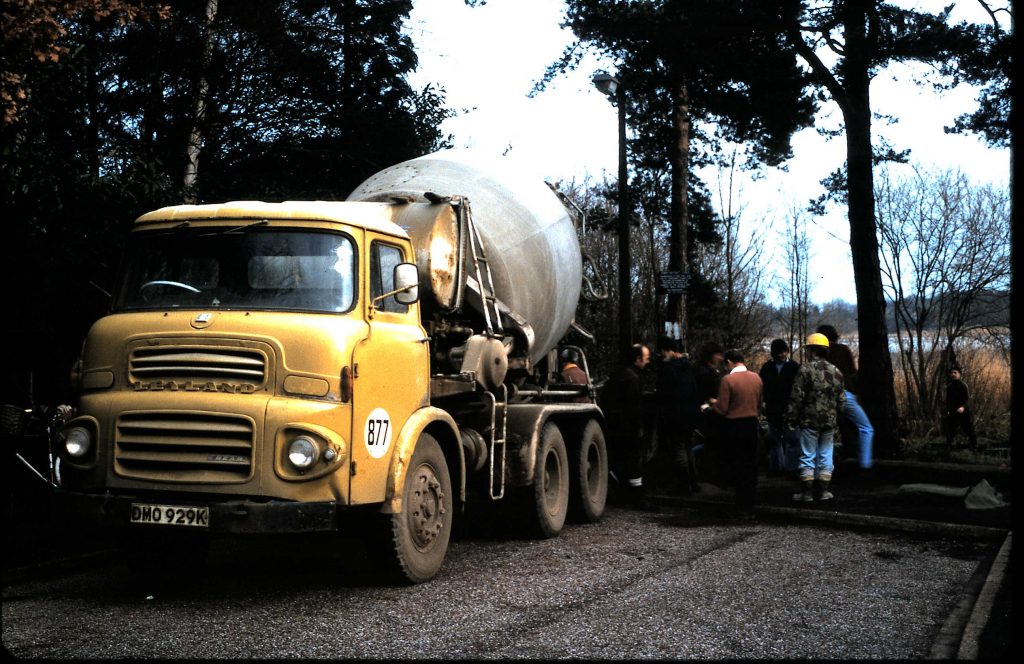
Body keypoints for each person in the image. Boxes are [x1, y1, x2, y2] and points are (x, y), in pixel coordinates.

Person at [785, 333, 846, 502]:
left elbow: (796, 397)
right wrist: (838, 418)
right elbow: (842, 400)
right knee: (826, 455)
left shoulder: (805, 370)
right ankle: (824, 492)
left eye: (807, 350)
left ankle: (806, 494)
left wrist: (791, 419)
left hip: (809, 421)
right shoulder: (836, 372)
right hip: (829, 422)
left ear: (812, 351)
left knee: (807, 455)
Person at [708, 349, 763, 519]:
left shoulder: (728, 380)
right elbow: (760, 404)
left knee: (737, 466)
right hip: (751, 424)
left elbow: (723, 408)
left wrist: (713, 403)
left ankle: (740, 506)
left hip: (734, 426)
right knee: (750, 466)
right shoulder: (756, 378)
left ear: (729, 362)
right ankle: (750, 505)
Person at [601, 343, 657, 511]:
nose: (648, 362)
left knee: (619, 459)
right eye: (646, 359)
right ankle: (636, 497)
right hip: (628, 427)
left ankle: (621, 491)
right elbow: (633, 406)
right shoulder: (633, 378)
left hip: (614, 424)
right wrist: (640, 426)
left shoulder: (618, 374)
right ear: (638, 359)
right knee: (633, 462)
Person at [816, 324, 874, 470]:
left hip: (826, 397)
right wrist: (856, 393)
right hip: (846, 394)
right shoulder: (843, 350)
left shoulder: (818, 354)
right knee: (864, 427)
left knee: (827, 431)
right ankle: (863, 463)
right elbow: (853, 373)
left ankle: (824, 467)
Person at [655, 336, 701, 495]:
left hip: (676, 414)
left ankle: (684, 485)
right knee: (688, 447)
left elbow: (664, 393)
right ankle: (694, 482)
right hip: (690, 413)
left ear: (666, 351)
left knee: (678, 449)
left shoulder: (669, 369)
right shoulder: (688, 367)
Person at [758, 338, 800, 475]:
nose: (782, 355)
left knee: (792, 440)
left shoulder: (794, 367)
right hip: (772, 408)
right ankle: (776, 467)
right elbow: (761, 387)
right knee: (775, 440)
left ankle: (791, 468)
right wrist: (763, 402)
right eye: (779, 352)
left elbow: (798, 388)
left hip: (790, 408)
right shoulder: (767, 368)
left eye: (784, 352)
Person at [694, 341, 726, 485]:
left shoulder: (701, 370)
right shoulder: (707, 373)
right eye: (717, 355)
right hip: (708, 412)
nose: (720, 358)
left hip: (708, 410)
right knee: (712, 443)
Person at [944, 365, 978, 449]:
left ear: (959, 374)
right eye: (952, 373)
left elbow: (967, 400)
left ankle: (975, 446)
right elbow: (948, 400)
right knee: (950, 429)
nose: (953, 374)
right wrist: (948, 410)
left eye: (955, 373)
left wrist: (963, 407)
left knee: (969, 429)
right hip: (953, 411)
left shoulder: (963, 386)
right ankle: (948, 447)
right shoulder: (949, 387)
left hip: (963, 411)